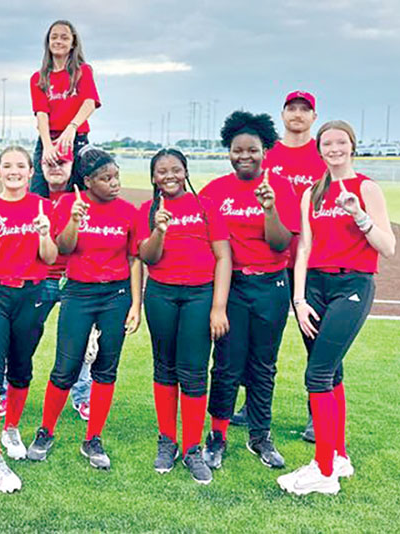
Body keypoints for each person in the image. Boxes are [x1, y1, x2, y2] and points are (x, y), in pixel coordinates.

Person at [278, 120, 395, 495]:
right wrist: (298, 300)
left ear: (352, 146)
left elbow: (387, 246)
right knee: (334, 374)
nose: (333, 148)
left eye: (340, 142)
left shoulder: (367, 188)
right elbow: (304, 250)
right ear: (320, 149)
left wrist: (359, 215)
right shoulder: (311, 193)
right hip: (314, 286)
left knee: (318, 374)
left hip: (352, 285)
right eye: (327, 143)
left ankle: (323, 471)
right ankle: (338, 457)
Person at [26, 146, 142, 470]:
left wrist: (136, 303)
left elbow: (134, 259)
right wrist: (75, 218)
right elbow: (64, 247)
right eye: (106, 178)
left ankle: (93, 439)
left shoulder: (127, 211)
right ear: (88, 181)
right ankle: (45, 431)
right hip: (78, 293)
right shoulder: (68, 203)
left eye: (116, 176)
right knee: (65, 367)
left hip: (116, 295)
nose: (114, 183)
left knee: (106, 368)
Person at [199, 111, 300, 471]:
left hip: (271, 287)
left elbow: (280, 244)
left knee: (263, 365)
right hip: (233, 287)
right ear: (228, 151)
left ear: (265, 150)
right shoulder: (214, 191)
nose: (245, 156)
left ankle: (260, 436)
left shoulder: (280, 188)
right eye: (237, 150)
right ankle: (218, 437)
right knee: (225, 364)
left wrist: (269, 208)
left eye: (252, 150)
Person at [232, 90, 326, 443]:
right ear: (283, 113)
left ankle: (318, 414)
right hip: (269, 262)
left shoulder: (322, 156)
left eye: (305, 109)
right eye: (292, 108)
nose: (298, 114)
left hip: (310, 263)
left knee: (316, 341)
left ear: (314, 116)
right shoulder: (267, 153)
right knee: (256, 343)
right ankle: (250, 407)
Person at [136, 149, 231, 483]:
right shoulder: (147, 211)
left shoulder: (205, 206)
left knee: (192, 372)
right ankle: (168, 441)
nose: (169, 175)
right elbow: (147, 257)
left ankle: (192, 447)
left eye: (176, 169)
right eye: (162, 171)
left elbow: (223, 256)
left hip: (200, 295)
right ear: (153, 177)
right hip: (161, 295)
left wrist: (218, 307)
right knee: (164, 368)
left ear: (186, 171)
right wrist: (159, 230)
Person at [0, 146, 58, 493]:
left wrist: (44, 233)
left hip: (31, 295)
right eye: (7, 166)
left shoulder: (43, 207)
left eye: (21, 165)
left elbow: (49, 259)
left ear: (31, 170)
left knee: (21, 367)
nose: (14, 171)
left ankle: (11, 428)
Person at [1, 146, 95, 421]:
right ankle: (5, 393)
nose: (55, 167)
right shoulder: (29, 199)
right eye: (48, 162)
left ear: (72, 165)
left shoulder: (84, 197)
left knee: (78, 343)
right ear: (38, 167)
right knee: (21, 339)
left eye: (62, 162)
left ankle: (83, 397)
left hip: (74, 280)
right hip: (38, 279)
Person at [29, 19, 101, 196]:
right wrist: (47, 145)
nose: (58, 41)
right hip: (49, 138)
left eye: (64, 37)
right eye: (54, 37)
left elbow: (89, 102)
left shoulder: (82, 71)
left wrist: (72, 128)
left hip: (76, 139)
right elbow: (41, 114)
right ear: (48, 42)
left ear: (72, 43)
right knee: (38, 190)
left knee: (80, 191)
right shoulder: (38, 78)